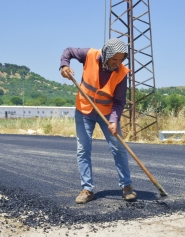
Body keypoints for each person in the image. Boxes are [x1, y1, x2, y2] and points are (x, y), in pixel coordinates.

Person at [60, 38, 137, 204]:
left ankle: (127, 186)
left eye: (121, 59)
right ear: (107, 54)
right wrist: (64, 65)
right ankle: (87, 189)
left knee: (118, 148)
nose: (117, 63)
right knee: (83, 149)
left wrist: (114, 121)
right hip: (84, 110)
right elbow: (69, 51)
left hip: (107, 113)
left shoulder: (122, 73)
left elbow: (119, 101)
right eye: (114, 59)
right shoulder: (89, 55)